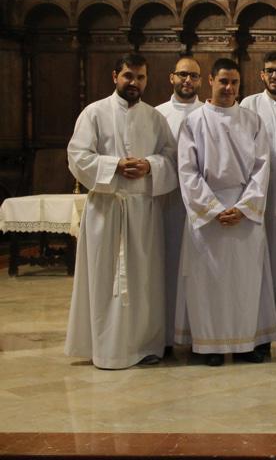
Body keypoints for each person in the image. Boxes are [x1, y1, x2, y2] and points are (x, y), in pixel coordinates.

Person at [65, 53, 177, 369]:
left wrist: (149, 165)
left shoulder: (155, 118)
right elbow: (77, 156)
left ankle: (144, 345)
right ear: (115, 76)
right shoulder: (94, 113)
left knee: (144, 281)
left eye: (140, 77)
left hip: (143, 213)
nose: (135, 83)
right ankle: (105, 347)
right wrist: (114, 164)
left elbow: (171, 160)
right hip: (107, 210)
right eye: (129, 76)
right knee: (103, 279)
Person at [176, 57, 276, 366]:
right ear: (210, 81)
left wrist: (245, 207)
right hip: (207, 213)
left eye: (234, 82)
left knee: (245, 282)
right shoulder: (194, 121)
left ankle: (245, 342)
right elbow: (187, 171)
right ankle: (210, 346)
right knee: (208, 282)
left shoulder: (252, 121)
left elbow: (263, 167)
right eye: (223, 81)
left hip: (244, 212)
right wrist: (212, 208)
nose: (229, 87)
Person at [240, 51, 276, 355]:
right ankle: (258, 336)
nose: (275, 76)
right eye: (269, 71)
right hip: (256, 196)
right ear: (261, 75)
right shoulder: (248, 106)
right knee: (257, 267)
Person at [155, 55, 204, 356]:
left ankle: (199, 332)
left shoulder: (208, 113)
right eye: (183, 75)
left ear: (201, 80)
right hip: (169, 203)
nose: (188, 81)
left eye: (194, 76)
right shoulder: (157, 115)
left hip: (198, 205)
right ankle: (168, 336)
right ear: (171, 77)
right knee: (169, 267)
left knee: (198, 270)